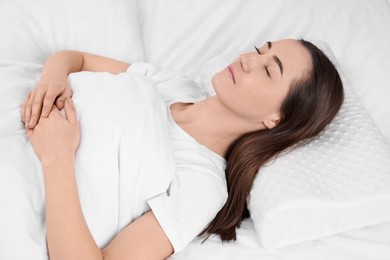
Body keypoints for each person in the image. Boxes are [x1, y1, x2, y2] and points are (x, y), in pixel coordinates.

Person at [20, 39, 344, 259]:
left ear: (276, 118)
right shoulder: (176, 84)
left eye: (268, 69)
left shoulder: (202, 185)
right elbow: (74, 58)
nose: (248, 59)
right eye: (260, 49)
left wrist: (57, 157)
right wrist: (52, 79)